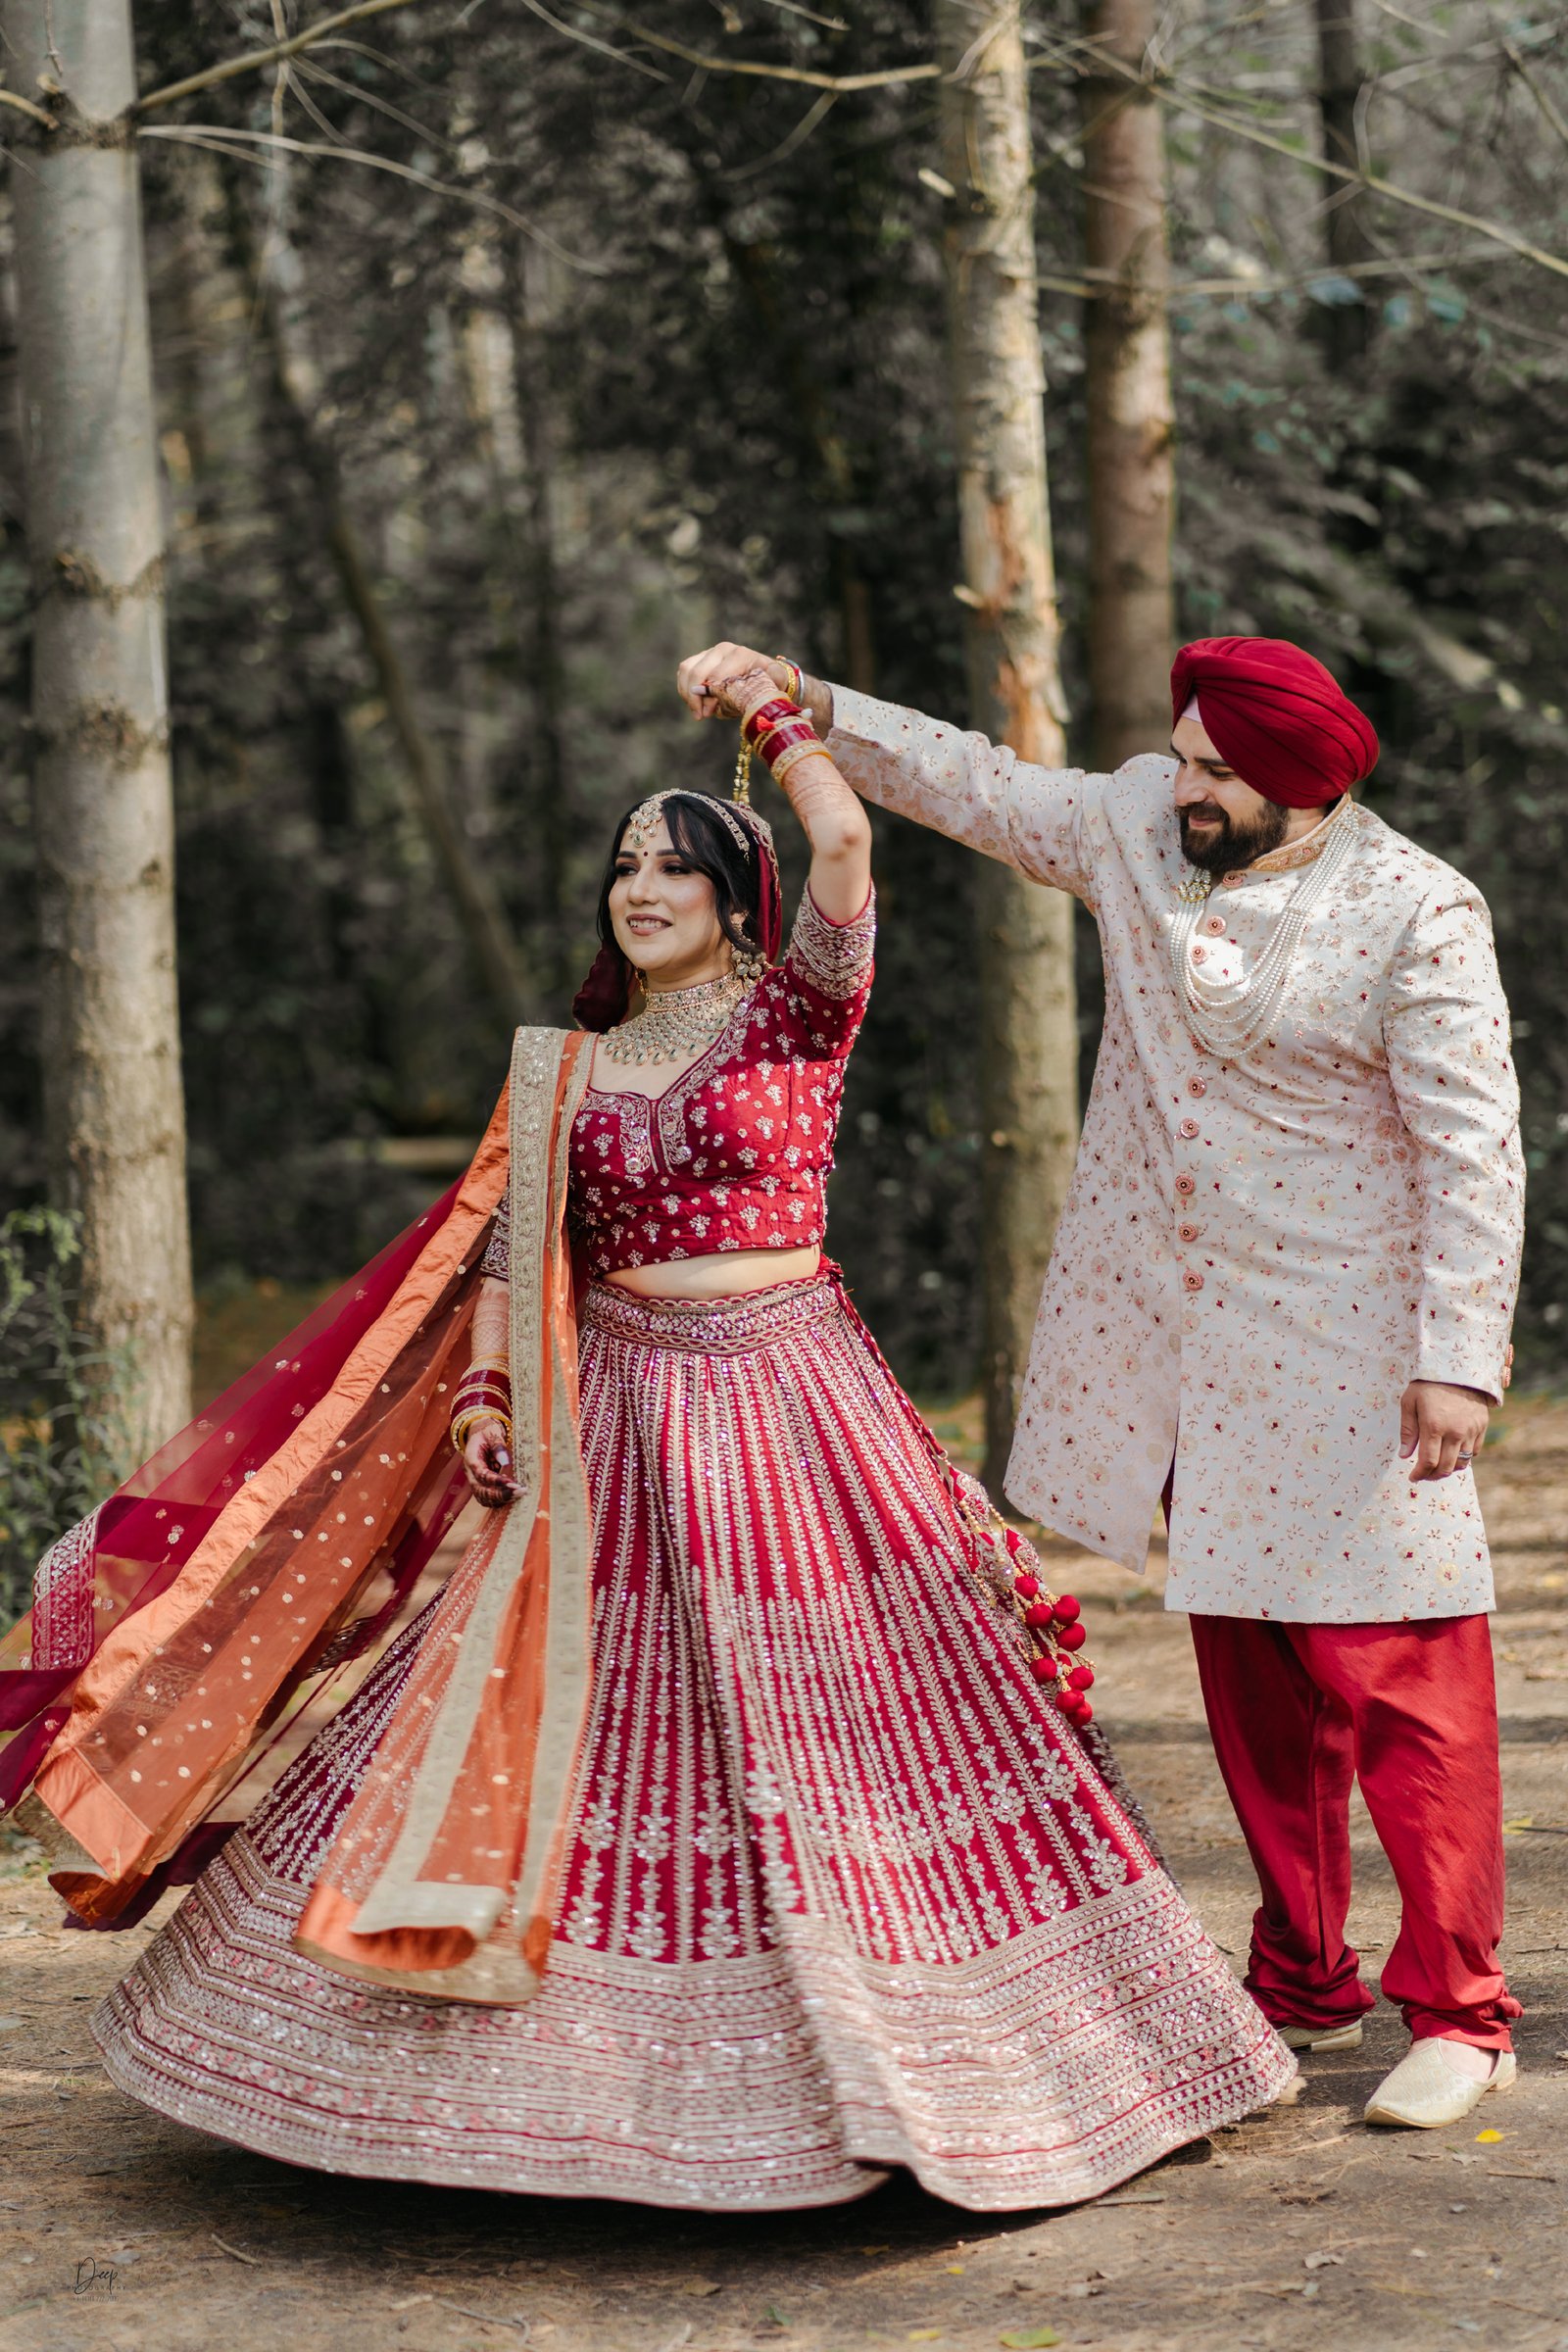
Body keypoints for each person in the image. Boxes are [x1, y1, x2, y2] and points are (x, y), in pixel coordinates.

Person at [0, 667, 1291, 2212]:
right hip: (606, 1433)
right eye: (624, 864)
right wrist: (485, 1398)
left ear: (737, 897)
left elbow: (846, 851)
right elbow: (504, 1262)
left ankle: (954, 2065)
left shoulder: (796, 1012)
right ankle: (507, 2099)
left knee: (848, 1739)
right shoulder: (564, 1069)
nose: (642, 887)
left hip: (795, 1420)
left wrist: (782, 724)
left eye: (676, 862)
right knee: (587, 1738)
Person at [678, 635, 1525, 2134]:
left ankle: (1461, 2010)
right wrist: (806, 700)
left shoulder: (1415, 913)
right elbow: (983, 786)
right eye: (1183, 755)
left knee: (1403, 1688)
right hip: (1194, 1350)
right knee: (1257, 1683)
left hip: (1356, 1353)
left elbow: (1475, 1149)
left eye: (1213, 772)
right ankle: (1301, 1975)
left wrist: (1459, 1357)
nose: (1181, 784)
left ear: (1297, 787)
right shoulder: (1146, 826)